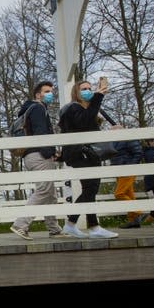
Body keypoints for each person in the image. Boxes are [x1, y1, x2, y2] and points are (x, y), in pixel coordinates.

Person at [58, 79, 118, 239]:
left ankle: (73, 225)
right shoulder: (73, 108)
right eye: (83, 88)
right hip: (81, 153)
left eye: (89, 88)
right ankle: (92, 227)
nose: (88, 90)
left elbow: (88, 127)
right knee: (90, 188)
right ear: (76, 92)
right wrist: (98, 96)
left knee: (89, 189)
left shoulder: (84, 108)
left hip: (86, 153)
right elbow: (82, 122)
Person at [9, 81, 65, 241]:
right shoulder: (38, 108)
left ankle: (54, 229)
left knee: (51, 194)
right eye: (46, 91)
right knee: (44, 191)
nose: (50, 94)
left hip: (30, 156)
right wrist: (51, 153)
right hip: (39, 155)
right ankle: (21, 224)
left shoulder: (28, 110)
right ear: (37, 94)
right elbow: (41, 133)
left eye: (51, 91)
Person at [111, 137, 144, 228]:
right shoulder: (113, 141)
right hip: (118, 170)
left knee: (119, 193)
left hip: (127, 170)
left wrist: (129, 167)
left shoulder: (129, 139)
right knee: (129, 195)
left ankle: (138, 212)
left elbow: (138, 153)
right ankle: (133, 220)